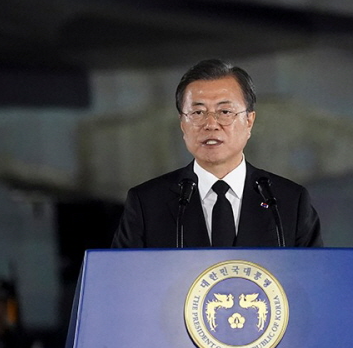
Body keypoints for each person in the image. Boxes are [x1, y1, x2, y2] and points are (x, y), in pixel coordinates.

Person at [111, 58, 323, 248]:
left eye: (224, 112)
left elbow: (317, 282)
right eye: (197, 112)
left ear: (249, 121)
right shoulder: (147, 203)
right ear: (183, 124)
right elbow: (120, 283)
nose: (211, 124)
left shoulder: (288, 201)